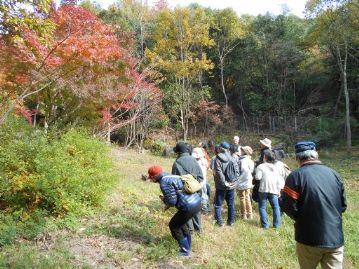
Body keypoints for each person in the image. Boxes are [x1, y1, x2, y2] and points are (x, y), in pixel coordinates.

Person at [280, 141, 347, 269]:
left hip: (308, 238)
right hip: (335, 238)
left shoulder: (295, 176)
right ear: (316, 155)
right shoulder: (335, 174)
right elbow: (343, 206)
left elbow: (290, 208)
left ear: (298, 157)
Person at [148, 166, 201, 256]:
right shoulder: (169, 176)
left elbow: (172, 202)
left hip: (188, 206)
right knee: (181, 224)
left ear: (154, 177)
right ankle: (188, 246)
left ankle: (185, 250)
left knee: (174, 226)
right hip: (196, 202)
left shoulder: (164, 182)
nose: (151, 180)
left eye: (151, 178)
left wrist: (164, 200)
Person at [172, 142, 204, 232]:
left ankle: (190, 230)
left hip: (185, 191)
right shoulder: (193, 160)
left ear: (178, 152)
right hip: (197, 189)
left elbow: (175, 180)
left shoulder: (177, 163)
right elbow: (201, 176)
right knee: (196, 210)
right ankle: (198, 229)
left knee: (186, 210)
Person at [255, 149, 282, 229]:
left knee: (262, 207)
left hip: (263, 189)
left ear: (265, 157)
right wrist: (279, 190)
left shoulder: (260, 166)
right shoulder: (275, 167)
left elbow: (258, 177)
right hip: (274, 189)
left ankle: (265, 225)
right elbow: (279, 180)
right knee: (276, 207)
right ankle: (276, 225)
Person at [213, 142, 239, 226]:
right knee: (231, 204)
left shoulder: (218, 159)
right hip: (231, 185)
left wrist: (225, 183)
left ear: (221, 148)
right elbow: (237, 172)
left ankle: (219, 222)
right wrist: (234, 182)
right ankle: (231, 222)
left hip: (221, 186)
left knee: (218, 205)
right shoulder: (233, 158)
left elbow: (219, 173)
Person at [236, 146, 255, 220]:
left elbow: (239, 171)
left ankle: (243, 215)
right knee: (247, 197)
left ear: (244, 152)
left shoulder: (241, 160)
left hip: (241, 181)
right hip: (248, 181)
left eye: (242, 150)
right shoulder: (251, 161)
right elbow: (251, 171)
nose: (240, 151)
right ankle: (250, 214)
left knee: (242, 198)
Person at [192, 147, 210, 214]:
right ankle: (205, 207)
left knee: (202, 195)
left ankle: (204, 209)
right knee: (204, 194)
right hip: (203, 180)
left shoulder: (198, 162)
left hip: (199, 181)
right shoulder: (204, 160)